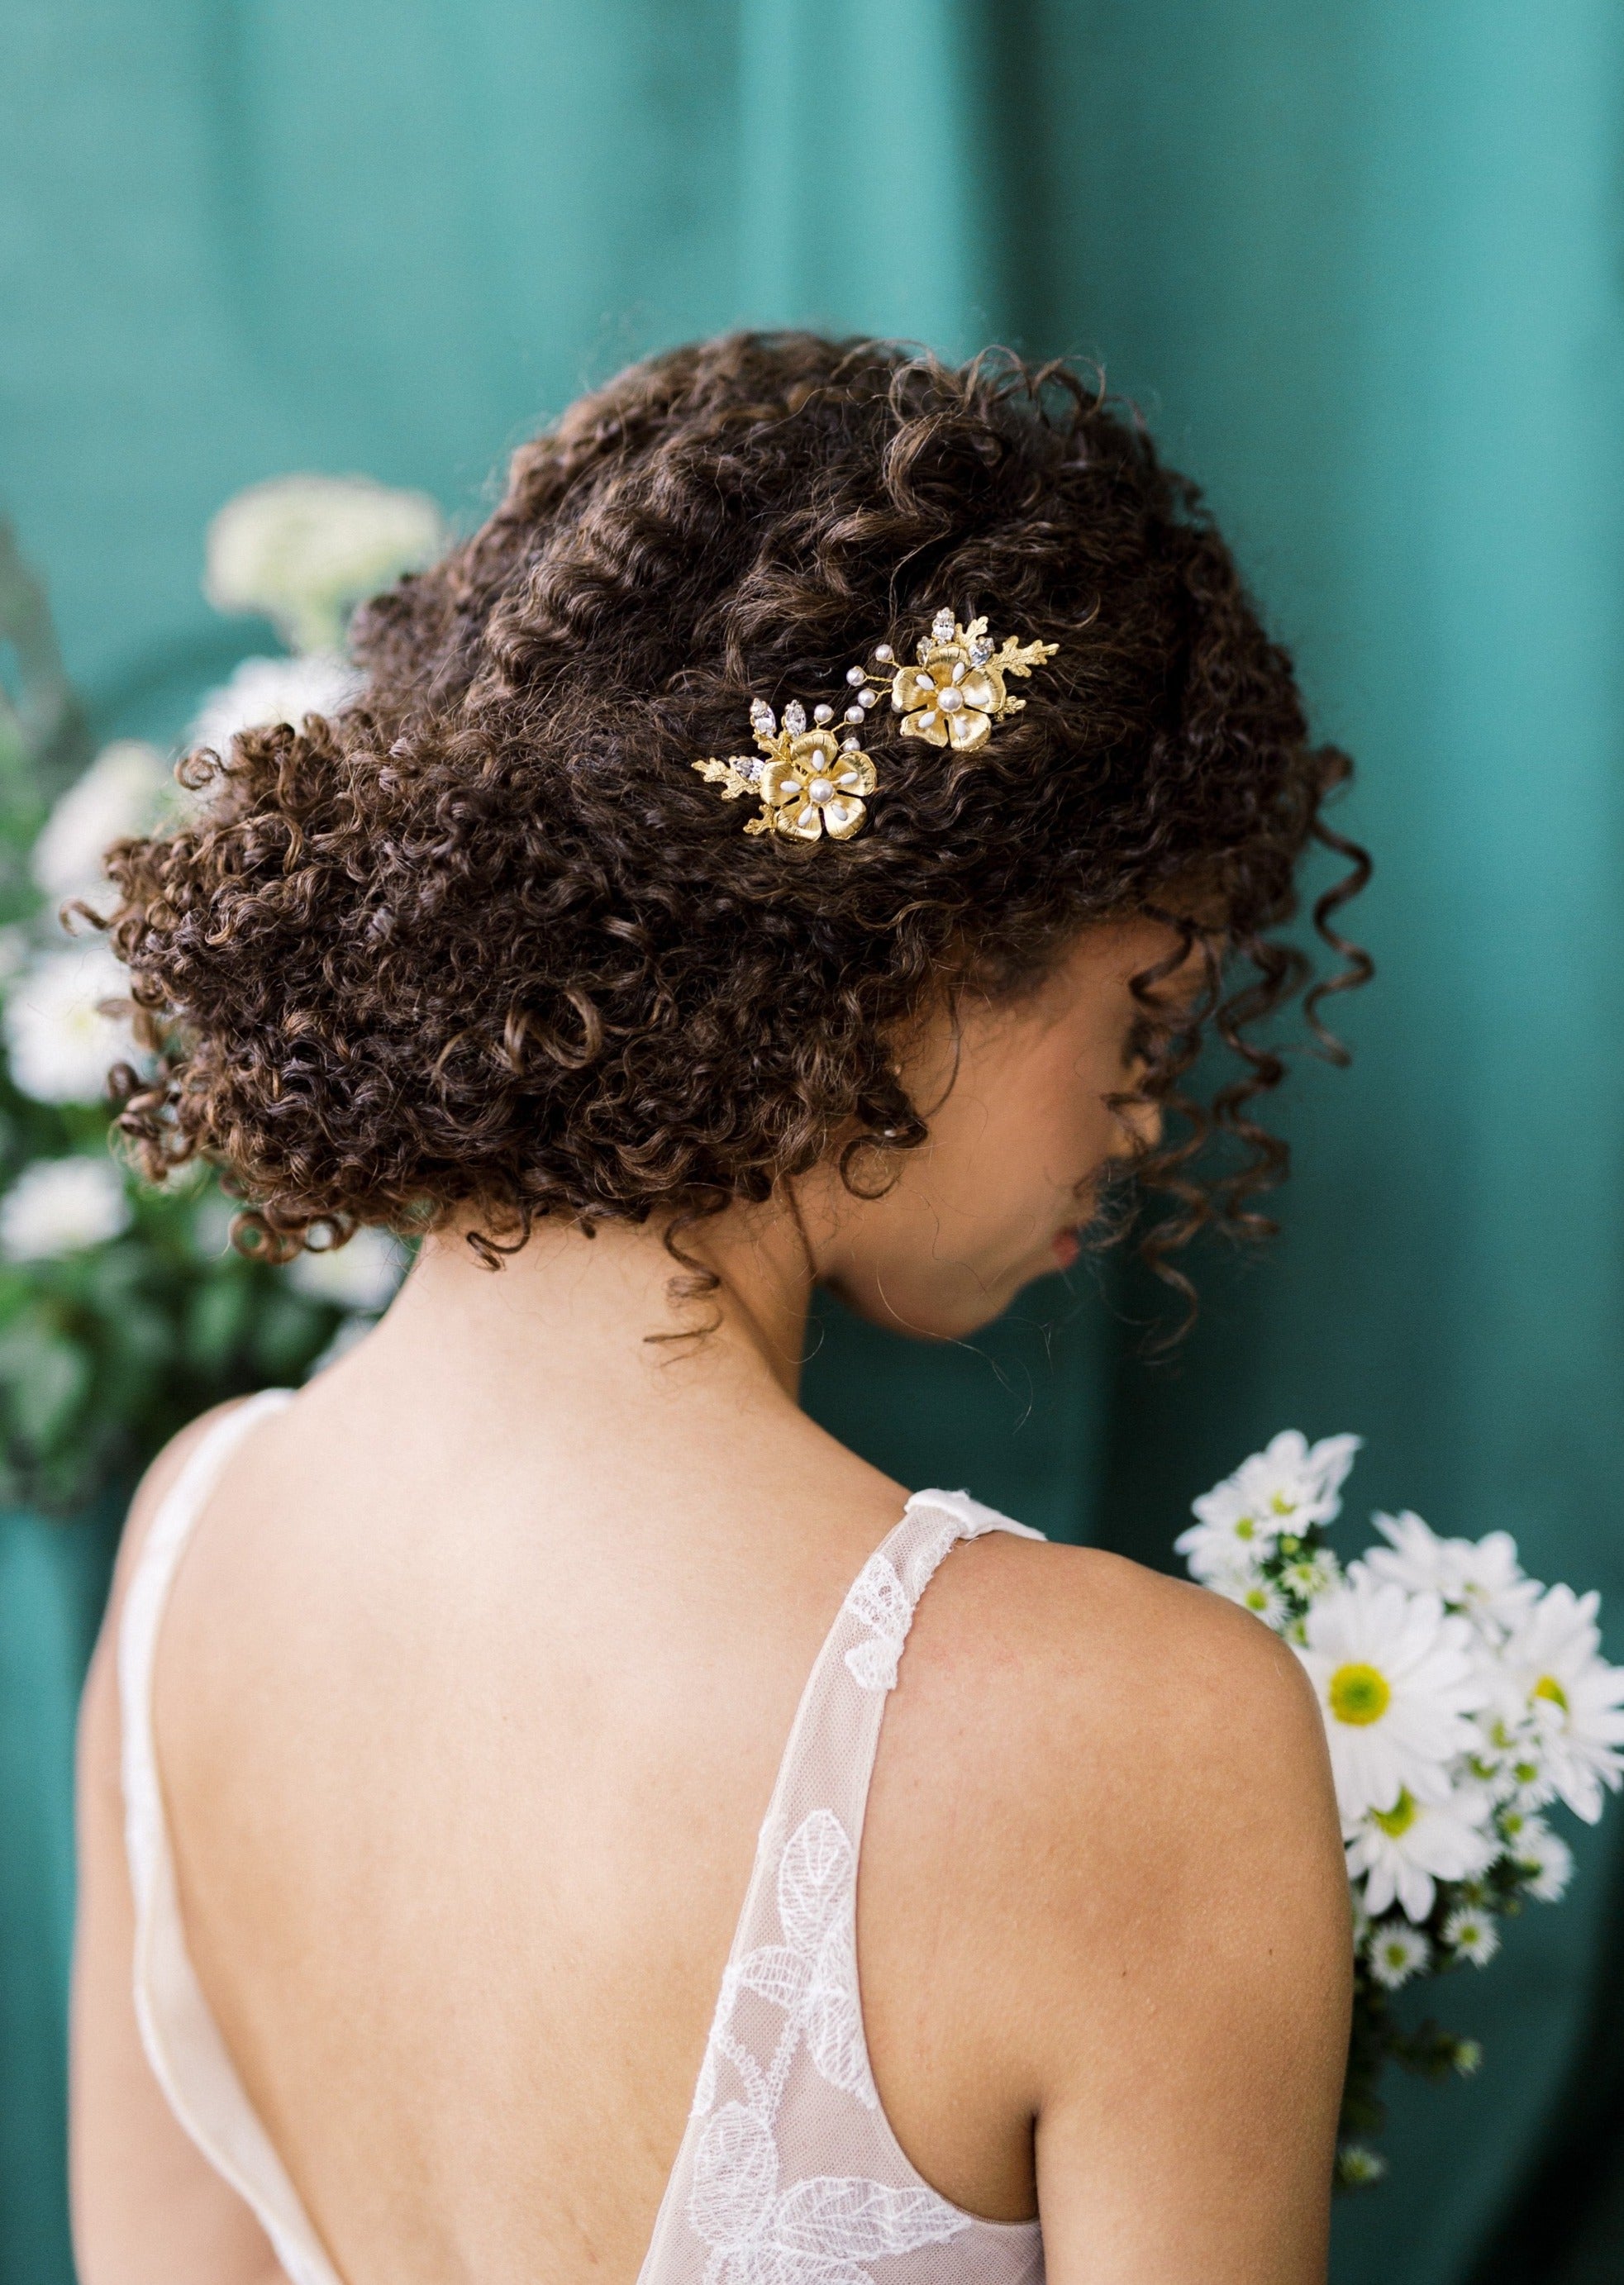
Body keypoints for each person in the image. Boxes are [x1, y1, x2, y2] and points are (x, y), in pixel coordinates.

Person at [70, 334, 1365, 2285]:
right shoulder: (1122, 1740)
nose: (1142, 1117)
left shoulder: (190, 1548)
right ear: (923, 937)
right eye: (1141, 1020)